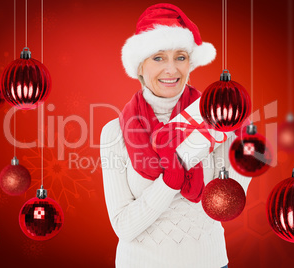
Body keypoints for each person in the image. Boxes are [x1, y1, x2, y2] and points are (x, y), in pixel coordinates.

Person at [100, 3, 251, 268]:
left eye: (180, 57)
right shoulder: (115, 133)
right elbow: (123, 227)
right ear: (139, 67)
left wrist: (246, 143)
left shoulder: (218, 120)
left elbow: (229, 203)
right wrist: (169, 182)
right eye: (158, 58)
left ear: (190, 63)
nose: (171, 70)